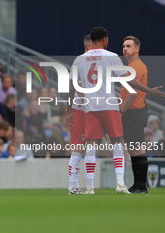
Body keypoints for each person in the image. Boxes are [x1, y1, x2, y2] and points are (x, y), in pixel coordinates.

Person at [69, 27, 165, 194]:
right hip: (110, 105)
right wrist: (149, 91)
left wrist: (71, 106)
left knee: (91, 144)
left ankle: (90, 187)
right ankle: (120, 184)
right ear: (105, 39)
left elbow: (73, 85)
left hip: (91, 106)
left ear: (91, 41)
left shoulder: (80, 59)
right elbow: (129, 80)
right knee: (118, 142)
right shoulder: (112, 57)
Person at [120, 36, 149, 194]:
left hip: (134, 111)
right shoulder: (131, 66)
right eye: (124, 46)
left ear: (137, 49)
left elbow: (132, 93)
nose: (125, 48)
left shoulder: (136, 65)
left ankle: (141, 186)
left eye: (129, 46)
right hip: (133, 112)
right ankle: (136, 185)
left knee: (137, 150)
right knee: (133, 150)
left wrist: (121, 111)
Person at [65, 34, 92, 194]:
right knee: (78, 148)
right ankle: (72, 186)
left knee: (84, 147)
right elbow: (76, 86)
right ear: (89, 46)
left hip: (83, 108)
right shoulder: (81, 61)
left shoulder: (83, 61)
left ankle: (78, 185)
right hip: (82, 109)